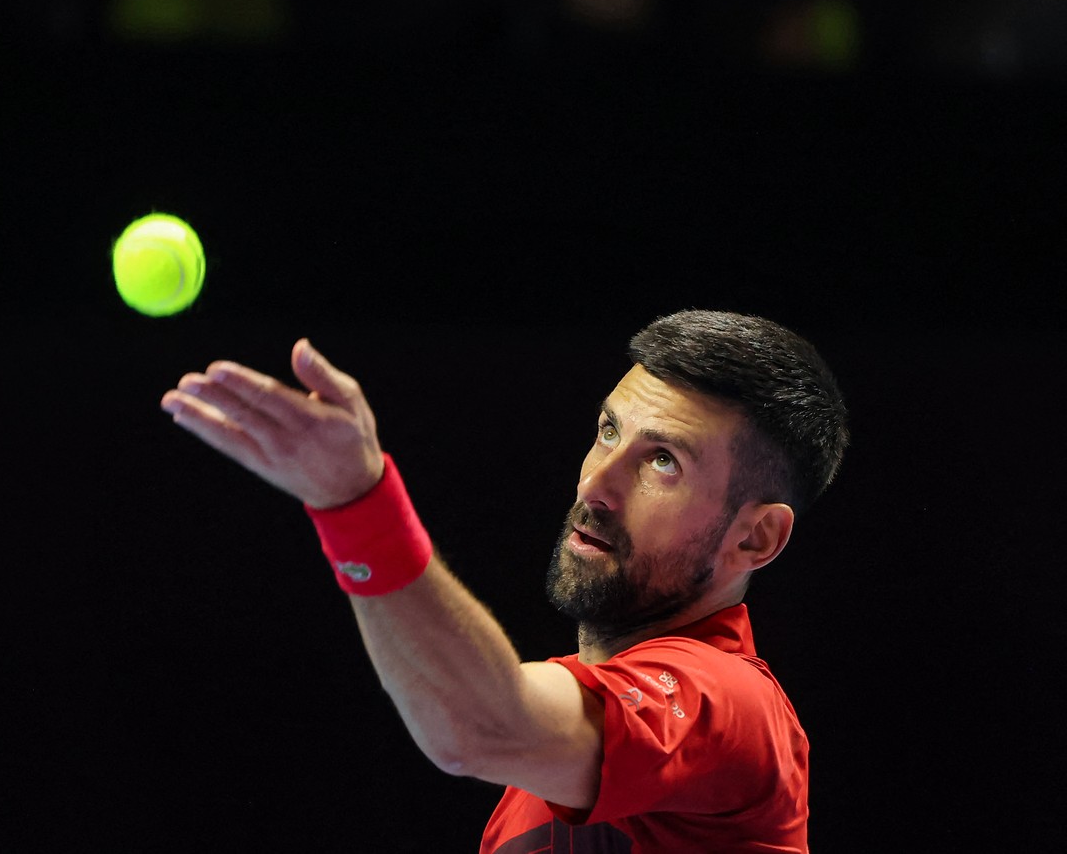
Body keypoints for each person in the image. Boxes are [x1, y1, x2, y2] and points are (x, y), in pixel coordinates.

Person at [159, 309, 849, 853]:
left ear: (755, 535)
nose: (597, 484)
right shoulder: (529, 795)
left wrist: (355, 504)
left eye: (663, 460)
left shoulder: (730, 706)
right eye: (608, 430)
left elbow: (478, 727)